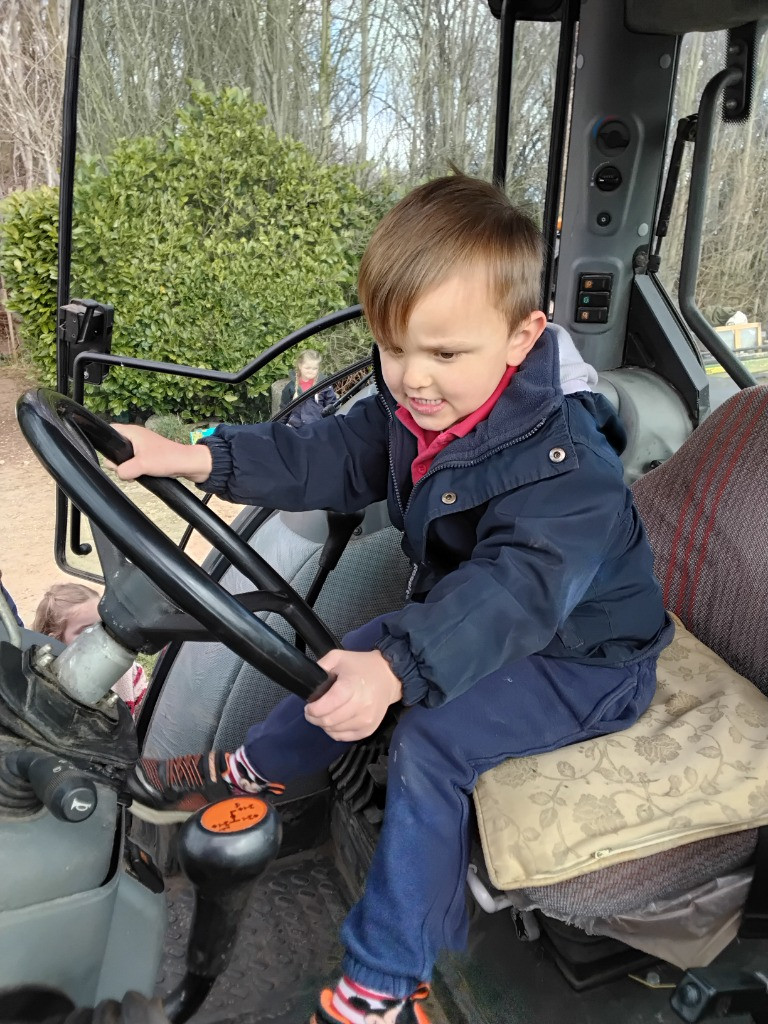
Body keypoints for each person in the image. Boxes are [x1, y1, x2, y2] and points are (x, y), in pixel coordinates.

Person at [114, 173, 672, 1024]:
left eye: (444, 353)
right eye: (393, 346)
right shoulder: (419, 410)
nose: (411, 378)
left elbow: (516, 591)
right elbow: (325, 454)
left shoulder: (570, 469)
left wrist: (402, 667)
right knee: (333, 662)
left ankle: (384, 982)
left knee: (432, 742)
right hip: (469, 616)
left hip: (584, 656)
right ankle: (248, 774)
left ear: (523, 337)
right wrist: (195, 457)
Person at [33, 583, 148, 718]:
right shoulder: (42, 682)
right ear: (55, 640)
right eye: (86, 630)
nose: (99, 635)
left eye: (103, 625)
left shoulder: (131, 674)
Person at [279, 349, 337, 427]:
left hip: (317, 425)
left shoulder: (324, 385)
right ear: (300, 366)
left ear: (318, 368)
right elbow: (284, 411)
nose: (311, 371)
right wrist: (279, 426)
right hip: (295, 427)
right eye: (307, 368)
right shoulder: (290, 387)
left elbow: (332, 405)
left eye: (314, 368)